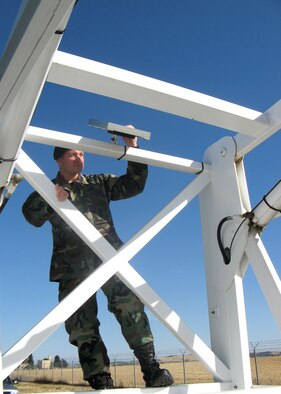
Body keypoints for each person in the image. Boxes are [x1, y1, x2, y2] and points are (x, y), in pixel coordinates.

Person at [22, 133, 174, 390]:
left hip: (109, 258)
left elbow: (134, 185)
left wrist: (132, 147)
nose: (79, 158)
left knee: (130, 307)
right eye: (72, 154)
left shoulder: (98, 183)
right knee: (82, 322)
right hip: (71, 268)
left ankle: (151, 369)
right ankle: (99, 378)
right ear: (59, 160)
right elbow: (31, 216)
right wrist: (50, 200)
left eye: (82, 154)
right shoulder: (47, 188)